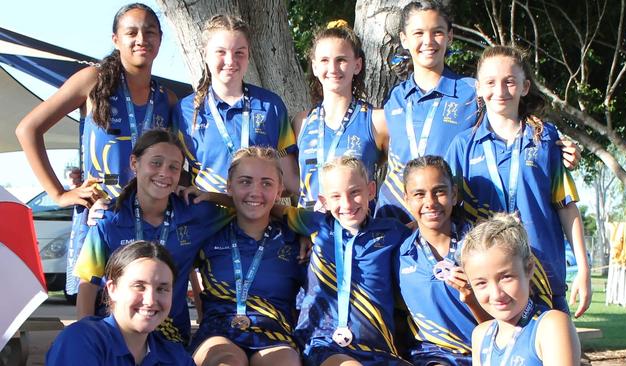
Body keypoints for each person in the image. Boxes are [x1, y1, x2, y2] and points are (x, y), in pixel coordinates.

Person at [15, 3, 177, 297]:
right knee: (96, 319)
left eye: (150, 32)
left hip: (149, 222)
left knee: (143, 309)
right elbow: (28, 129)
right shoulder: (94, 80)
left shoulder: (167, 99)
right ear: (116, 39)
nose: (142, 39)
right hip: (100, 218)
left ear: (160, 39)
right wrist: (59, 194)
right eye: (132, 32)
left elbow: (183, 159)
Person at [375, 0, 580, 223]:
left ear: (450, 36)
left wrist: (562, 148)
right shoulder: (395, 98)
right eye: (418, 33)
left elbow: (513, 127)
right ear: (404, 39)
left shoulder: (472, 92)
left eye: (437, 32)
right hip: (396, 219)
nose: (428, 41)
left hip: (447, 221)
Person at [445, 45, 591, 317]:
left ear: (524, 87)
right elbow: (450, 214)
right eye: (490, 82)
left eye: (509, 81)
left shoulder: (545, 138)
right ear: (478, 88)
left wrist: (583, 269)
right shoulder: (462, 146)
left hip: (543, 276)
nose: (499, 91)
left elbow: (566, 206)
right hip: (492, 285)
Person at [74, 129, 232, 345]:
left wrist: (211, 195)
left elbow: (249, 205)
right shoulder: (108, 218)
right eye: (156, 163)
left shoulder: (196, 212)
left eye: (173, 167)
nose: (164, 173)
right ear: (134, 163)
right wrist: (85, 337)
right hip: (116, 337)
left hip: (171, 338)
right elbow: (88, 283)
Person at [280, 156, 411, 366]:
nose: (347, 204)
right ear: (324, 201)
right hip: (324, 344)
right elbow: (269, 208)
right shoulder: (316, 224)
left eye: (355, 192)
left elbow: (423, 231)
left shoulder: (392, 231)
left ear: (371, 190)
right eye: (336, 196)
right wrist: (213, 198)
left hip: (379, 348)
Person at [190, 147, 304, 366]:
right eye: (245, 181)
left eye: (266, 183)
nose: (255, 192)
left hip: (275, 333)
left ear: (280, 190)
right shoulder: (209, 232)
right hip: (218, 330)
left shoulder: (295, 239)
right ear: (229, 186)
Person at [173, 14, 299, 196]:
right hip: (206, 218)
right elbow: (175, 170)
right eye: (221, 52)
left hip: (258, 216)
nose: (231, 60)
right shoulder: (185, 110)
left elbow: (289, 178)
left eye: (239, 52)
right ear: (205, 54)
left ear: (248, 56)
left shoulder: (271, 105)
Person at [395, 155, 490, 366]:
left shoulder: (484, 246)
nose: (430, 202)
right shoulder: (398, 254)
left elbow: (505, 323)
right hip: (432, 356)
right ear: (406, 199)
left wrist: (473, 300)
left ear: (454, 194)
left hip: (487, 353)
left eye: (439, 191)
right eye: (419, 194)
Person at [46, 241, 195, 366]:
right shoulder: (81, 340)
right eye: (139, 286)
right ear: (113, 289)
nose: (150, 300)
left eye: (162, 289)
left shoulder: (175, 356)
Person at [460, 213, 581, 366]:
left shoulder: (550, 326)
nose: (496, 294)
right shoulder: (481, 335)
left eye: (506, 277)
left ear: (529, 268)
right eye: (481, 283)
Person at [294, 20, 387, 210]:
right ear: (314, 66)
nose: (333, 69)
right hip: (310, 235)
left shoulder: (378, 120)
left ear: (357, 65)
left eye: (341, 60)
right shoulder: (301, 122)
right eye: (325, 60)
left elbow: (401, 175)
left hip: (357, 233)